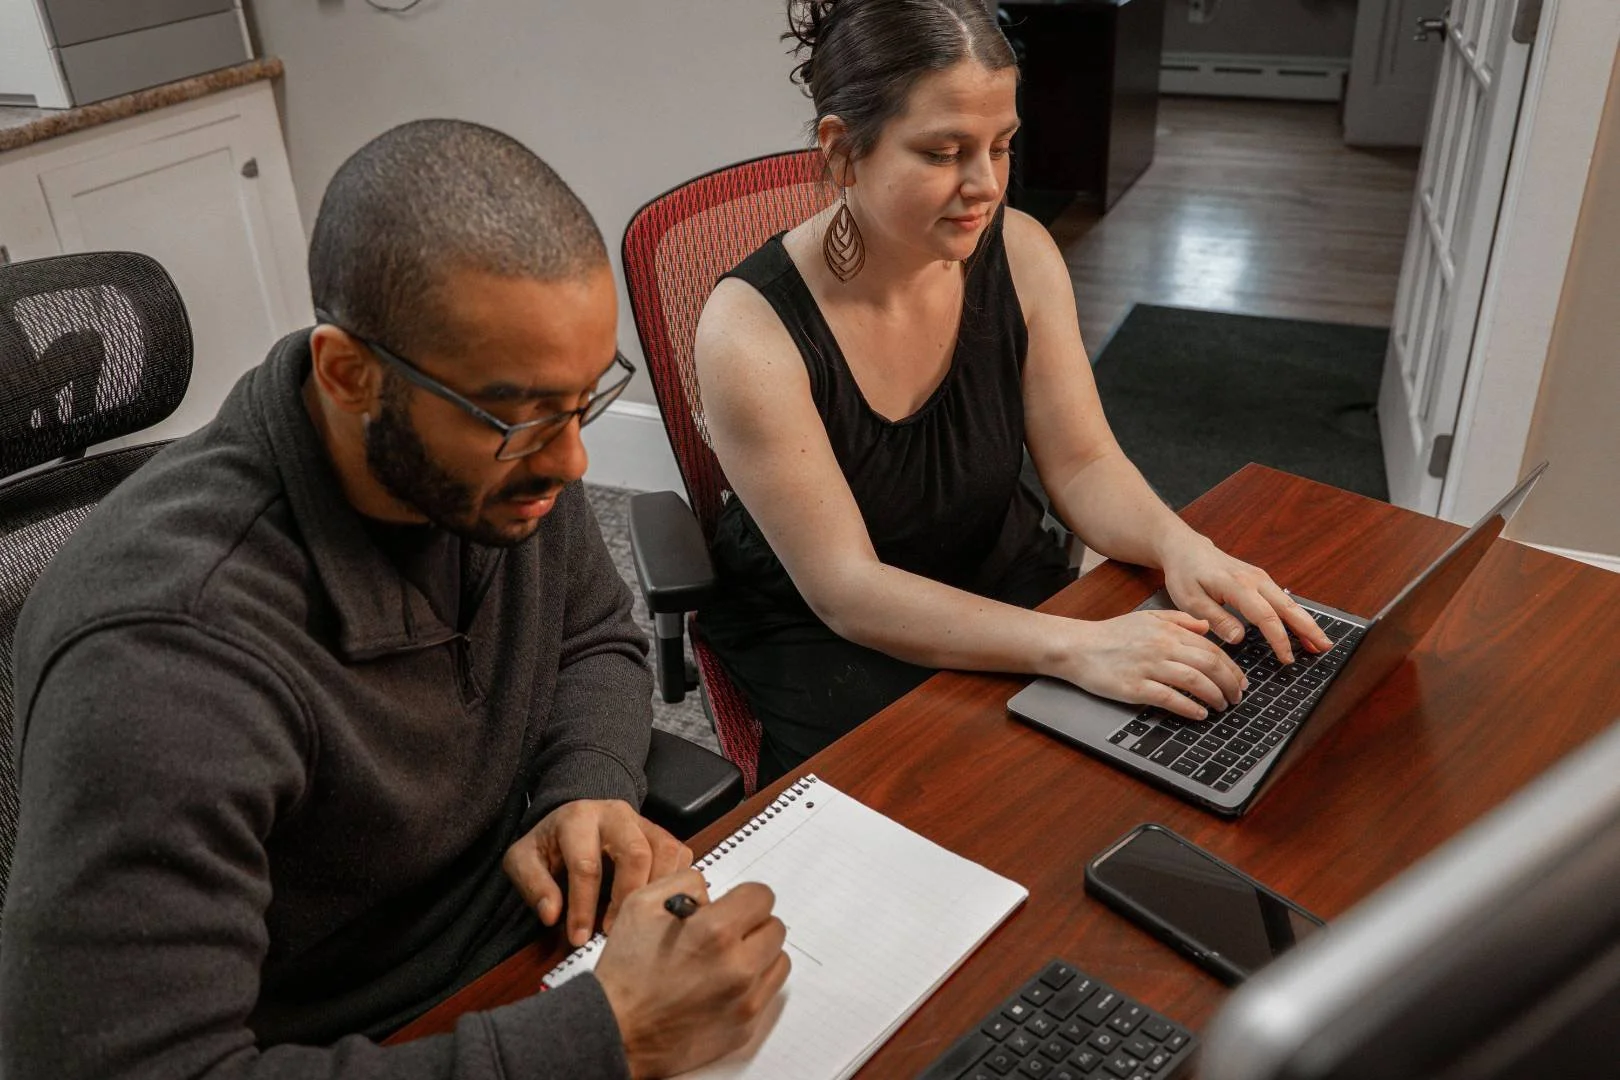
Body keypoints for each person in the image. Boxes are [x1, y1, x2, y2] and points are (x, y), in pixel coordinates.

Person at [0, 120, 788, 1080]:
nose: (571, 461)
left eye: (582, 401)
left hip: (530, 956)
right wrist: (607, 1037)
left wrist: (587, 787)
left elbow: (588, 637)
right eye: (519, 416)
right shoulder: (163, 650)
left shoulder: (499, 456)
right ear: (347, 375)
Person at [694, 0, 1334, 784]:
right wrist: (1077, 646)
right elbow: (847, 591)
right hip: (838, 635)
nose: (986, 184)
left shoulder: (1022, 254)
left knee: (1149, 749)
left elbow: (1086, 461)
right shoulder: (748, 331)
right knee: (965, 805)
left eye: (1002, 146)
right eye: (943, 152)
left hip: (998, 573)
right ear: (842, 151)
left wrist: (1181, 545)